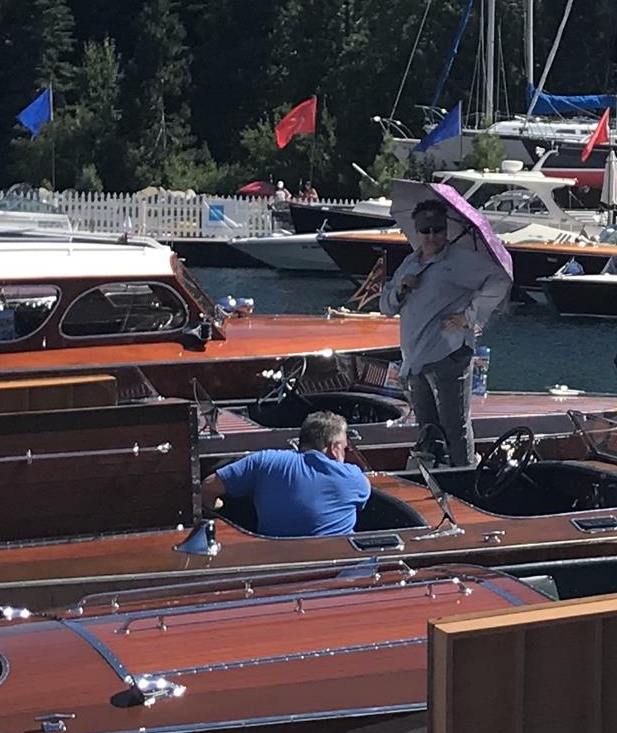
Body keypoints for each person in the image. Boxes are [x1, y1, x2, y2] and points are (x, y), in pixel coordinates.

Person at [381, 186, 512, 477]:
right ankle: (435, 478)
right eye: (426, 230)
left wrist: (468, 316)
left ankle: (465, 478)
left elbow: (499, 280)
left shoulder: (459, 260)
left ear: (446, 230)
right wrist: (402, 290)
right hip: (415, 358)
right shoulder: (410, 263)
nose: (432, 236)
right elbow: (386, 306)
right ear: (416, 231)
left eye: (438, 229)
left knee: (456, 426)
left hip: (448, 355)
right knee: (427, 426)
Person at [196, 410, 371, 538]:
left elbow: (207, 487)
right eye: (345, 447)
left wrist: (217, 505)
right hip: (337, 569)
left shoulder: (264, 461)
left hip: (277, 563)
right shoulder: (355, 478)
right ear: (334, 448)